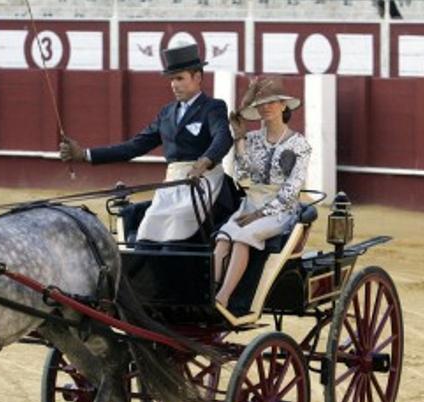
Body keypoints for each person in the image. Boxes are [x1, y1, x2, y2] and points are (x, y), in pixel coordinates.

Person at [59, 43, 234, 243]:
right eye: (171, 79)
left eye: (179, 78)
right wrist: (84, 154)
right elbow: (134, 146)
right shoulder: (167, 113)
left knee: (177, 221)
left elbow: (223, 137)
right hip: (172, 184)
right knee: (148, 230)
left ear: (198, 77)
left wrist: (204, 162)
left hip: (205, 182)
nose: (174, 84)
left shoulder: (213, 107)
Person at [214, 77, 311, 310]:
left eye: (272, 102)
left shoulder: (300, 144)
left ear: (283, 105)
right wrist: (239, 138)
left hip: (281, 212)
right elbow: (242, 175)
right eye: (261, 103)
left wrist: (260, 214)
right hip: (250, 204)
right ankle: (209, 292)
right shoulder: (252, 139)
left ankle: (223, 298)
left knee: (242, 237)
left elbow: (291, 191)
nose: (266, 107)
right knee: (223, 238)